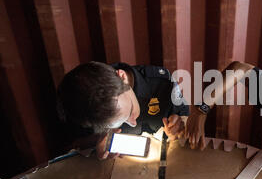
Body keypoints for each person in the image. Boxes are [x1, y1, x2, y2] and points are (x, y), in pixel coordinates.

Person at [57, 61, 189, 159]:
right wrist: (96, 143)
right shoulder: (79, 110)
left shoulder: (162, 84)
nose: (133, 123)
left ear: (122, 77)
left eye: (130, 111)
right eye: (121, 122)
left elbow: (184, 118)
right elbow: (72, 146)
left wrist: (180, 127)